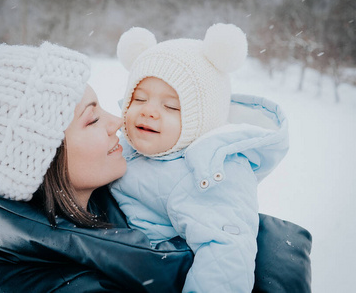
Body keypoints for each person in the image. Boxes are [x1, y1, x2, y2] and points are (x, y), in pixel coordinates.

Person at [0, 42, 312, 293]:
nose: (118, 121)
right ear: (43, 157)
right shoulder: (49, 282)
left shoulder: (101, 196)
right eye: (92, 119)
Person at [110, 24, 288, 292]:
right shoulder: (124, 145)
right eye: (139, 98)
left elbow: (226, 255)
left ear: (203, 118)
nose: (149, 112)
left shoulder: (211, 173)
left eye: (171, 106)